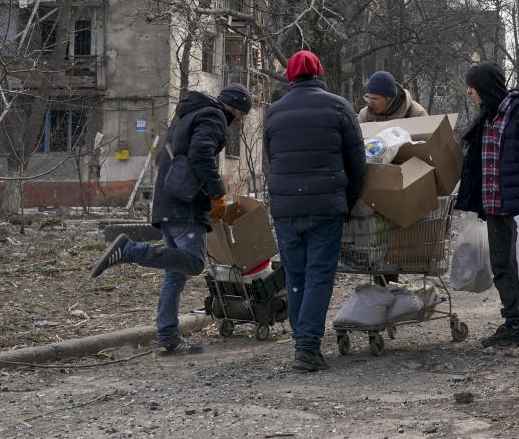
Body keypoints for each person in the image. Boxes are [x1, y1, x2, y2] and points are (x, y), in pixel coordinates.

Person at [90, 83, 253, 355]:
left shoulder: (189, 114)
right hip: (185, 205)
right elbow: (201, 155)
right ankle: (130, 250)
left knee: (175, 273)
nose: (240, 120)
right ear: (235, 109)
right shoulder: (213, 117)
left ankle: (168, 334)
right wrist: (217, 195)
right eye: (241, 114)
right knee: (193, 263)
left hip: (169, 200)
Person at [266, 50, 366, 372]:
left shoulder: (274, 111)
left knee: (295, 276)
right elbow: (357, 162)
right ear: (319, 72)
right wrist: (346, 202)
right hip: (325, 207)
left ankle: (302, 342)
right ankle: (307, 348)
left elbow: (273, 157)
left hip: (285, 209)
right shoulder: (339, 106)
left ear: (290, 76)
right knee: (319, 276)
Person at [454, 62, 519, 350]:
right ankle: (512, 323)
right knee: (501, 267)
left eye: (472, 86)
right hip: (493, 207)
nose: (469, 92)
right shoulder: (485, 119)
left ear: (485, 87)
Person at [358, 70, 428, 123]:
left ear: (389, 98)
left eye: (375, 99)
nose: (370, 104)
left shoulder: (416, 114)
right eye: (368, 98)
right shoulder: (365, 116)